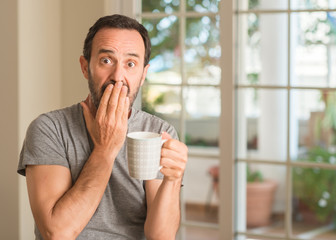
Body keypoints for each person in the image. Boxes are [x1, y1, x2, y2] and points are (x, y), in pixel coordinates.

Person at [17, 14, 188, 240]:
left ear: (143, 75)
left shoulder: (157, 132)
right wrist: (106, 148)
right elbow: (56, 233)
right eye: (106, 60)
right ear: (85, 67)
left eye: (130, 64)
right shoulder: (49, 129)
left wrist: (173, 180)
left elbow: (161, 236)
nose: (118, 77)